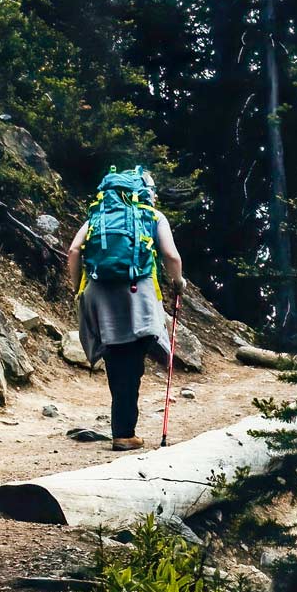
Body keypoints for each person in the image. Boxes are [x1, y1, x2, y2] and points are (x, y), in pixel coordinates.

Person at [64, 168, 186, 451]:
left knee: (117, 361)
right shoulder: (152, 216)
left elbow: (73, 251)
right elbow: (171, 255)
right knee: (132, 363)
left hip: (98, 294)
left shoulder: (97, 216)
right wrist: (178, 282)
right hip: (135, 295)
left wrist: (77, 289)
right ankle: (124, 433)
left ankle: (122, 428)